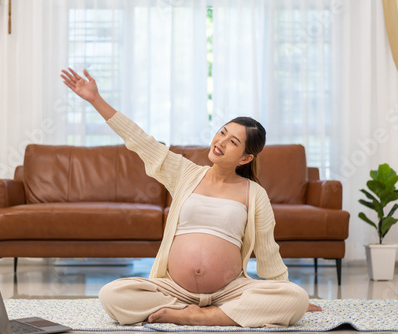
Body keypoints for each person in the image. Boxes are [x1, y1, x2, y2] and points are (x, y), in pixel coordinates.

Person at [61, 68, 322, 328]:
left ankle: (201, 316)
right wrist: (95, 99)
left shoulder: (254, 194)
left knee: (295, 298)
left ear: (245, 158)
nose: (220, 142)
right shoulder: (185, 173)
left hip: (229, 291)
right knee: (111, 294)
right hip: (175, 290)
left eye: (233, 142)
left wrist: (287, 295)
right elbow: (139, 140)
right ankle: (213, 314)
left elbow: (268, 250)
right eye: (222, 132)